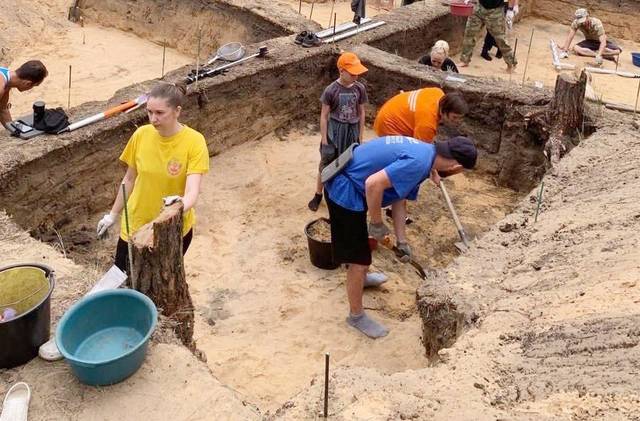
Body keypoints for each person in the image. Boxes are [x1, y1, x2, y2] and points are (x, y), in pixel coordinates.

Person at [324, 136, 477, 338]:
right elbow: (372, 184)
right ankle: (356, 316)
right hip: (344, 190)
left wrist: (402, 240)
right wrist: (377, 223)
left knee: (362, 252)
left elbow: (398, 199)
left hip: (354, 183)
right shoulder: (419, 163)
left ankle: (363, 279)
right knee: (358, 260)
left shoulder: (426, 154)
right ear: (456, 166)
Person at [96, 82, 209, 273]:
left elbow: (192, 190)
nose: (153, 119)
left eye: (159, 113)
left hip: (172, 229)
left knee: (160, 279)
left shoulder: (194, 141)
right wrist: (113, 215)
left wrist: (179, 205)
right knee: (121, 275)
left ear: (177, 111)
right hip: (136, 222)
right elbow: (129, 179)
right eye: (149, 112)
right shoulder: (141, 135)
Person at [308, 52, 368, 212]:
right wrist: (325, 139)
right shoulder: (331, 90)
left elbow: (361, 112)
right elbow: (324, 116)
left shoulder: (360, 88)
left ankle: (345, 195)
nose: (356, 76)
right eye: (352, 72)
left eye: (357, 72)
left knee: (349, 162)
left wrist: (360, 136)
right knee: (326, 163)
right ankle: (318, 193)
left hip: (352, 130)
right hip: (335, 131)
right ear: (341, 71)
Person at [373, 88, 468, 143]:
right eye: (454, 117)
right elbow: (419, 149)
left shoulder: (437, 92)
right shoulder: (427, 124)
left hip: (389, 111)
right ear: (444, 110)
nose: (456, 122)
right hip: (388, 126)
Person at [459, 0, 518, 71]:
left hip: (495, 11)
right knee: (469, 33)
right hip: (479, 7)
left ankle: (511, 63)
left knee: (500, 39)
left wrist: (510, 10)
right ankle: (464, 60)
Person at [0, 60, 48, 132]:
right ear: (28, 84)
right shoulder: (1, 86)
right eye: (34, 86)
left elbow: (2, 109)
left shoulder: (6, 77)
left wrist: (14, 131)